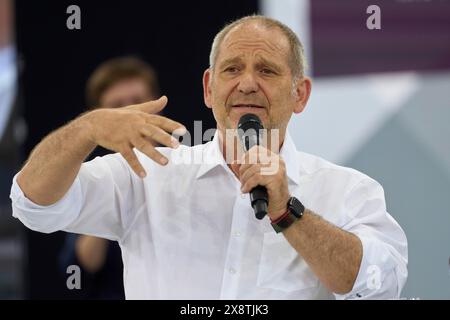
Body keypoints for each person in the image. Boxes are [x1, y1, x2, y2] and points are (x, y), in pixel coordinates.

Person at [10, 15, 407, 299]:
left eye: (267, 71)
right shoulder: (148, 174)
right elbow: (32, 203)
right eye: (232, 69)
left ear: (299, 94)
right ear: (208, 89)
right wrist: (88, 128)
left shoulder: (347, 189)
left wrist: (289, 213)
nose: (247, 83)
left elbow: (378, 284)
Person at [59, 56, 160, 299]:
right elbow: (82, 267)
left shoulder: (192, 164)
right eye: (117, 107)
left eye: (137, 101)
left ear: (157, 104)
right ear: (100, 118)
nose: (130, 113)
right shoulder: (91, 179)